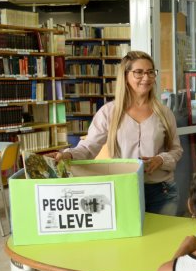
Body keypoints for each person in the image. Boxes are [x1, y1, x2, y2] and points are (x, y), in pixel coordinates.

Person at [53, 51, 183, 215]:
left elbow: (176, 150)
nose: (147, 77)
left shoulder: (164, 112)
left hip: (162, 191)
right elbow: (88, 148)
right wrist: (66, 155)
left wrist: (160, 159)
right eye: (139, 72)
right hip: (123, 189)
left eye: (151, 72)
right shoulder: (109, 112)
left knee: (165, 240)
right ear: (125, 76)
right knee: (131, 241)